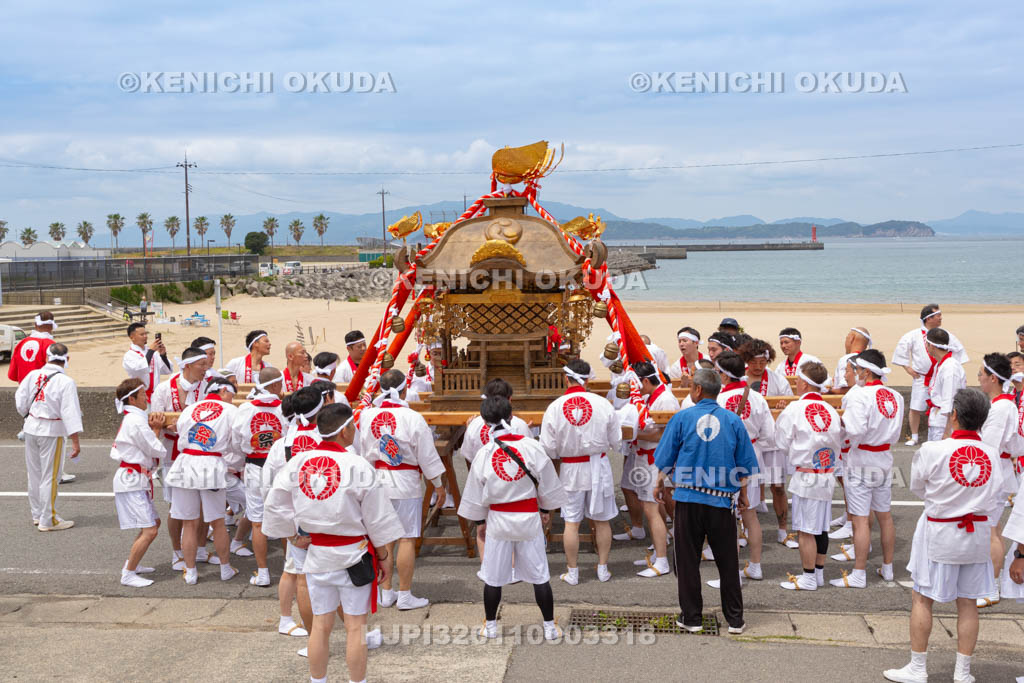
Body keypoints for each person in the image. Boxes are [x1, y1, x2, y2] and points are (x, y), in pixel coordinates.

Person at [263, 402, 404, 683]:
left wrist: (292, 536)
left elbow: (275, 503)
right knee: (355, 627)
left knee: (321, 627)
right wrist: (385, 557)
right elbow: (376, 519)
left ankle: (318, 681)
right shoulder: (357, 465)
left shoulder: (299, 462)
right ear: (344, 431)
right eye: (352, 426)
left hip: (317, 554)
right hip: (353, 553)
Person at [883, 389, 1005, 683]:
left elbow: (917, 487)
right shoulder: (991, 454)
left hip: (939, 529)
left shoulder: (932, 450)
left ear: (954, 415)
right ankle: (962, 672)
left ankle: (917, 667)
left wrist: (945, 502)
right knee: (968, 602)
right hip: (976, 534)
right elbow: (995, 496)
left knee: (922, 598)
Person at [653, 368, 757, 634]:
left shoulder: (682, 418)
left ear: (698, 390)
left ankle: (692, 617)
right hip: (721, 501)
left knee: (687, 561)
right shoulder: (733, 421)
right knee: (727, 562)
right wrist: (743, 494)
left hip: (688, 498)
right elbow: (745, 465)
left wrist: (659, 482)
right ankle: (735, 619)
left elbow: (665, 457)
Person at [458, 396, 568, 640]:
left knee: (493, 576)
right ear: (511, 416)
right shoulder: (531, 446)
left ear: (484, 421)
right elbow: (547, 482)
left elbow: (475, 493)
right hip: (528, 516)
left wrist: (479, 523)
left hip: (498, 518)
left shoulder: (485, 453)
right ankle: (549, 626)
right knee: (539, 575)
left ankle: (491, 626)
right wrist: (546, 510)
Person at [356, 369, 446, 609]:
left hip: (377, 478)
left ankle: (386, 591)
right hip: (405, 480)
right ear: (405, 389)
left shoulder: (368, 416)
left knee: (383, 536)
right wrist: (438, 484)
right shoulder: (411, 417)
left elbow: (362, 449)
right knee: (406, 537)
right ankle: (404, 594)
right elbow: (426, 454)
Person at [540, 359, 621, 585]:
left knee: (572, 523)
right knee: (602, 520)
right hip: (599, 466)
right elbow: (616, 441)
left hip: (571, 469)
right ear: (586, 380)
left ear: (566, 379)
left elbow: (548, 447)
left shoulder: (555, 407)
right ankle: (602, 569)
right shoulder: (602, 403)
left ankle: (573, 571)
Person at [829, 350, 904, 588]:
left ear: (866, 371)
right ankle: (889, 567)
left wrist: (842, 432)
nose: (855, 374)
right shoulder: (896, 396)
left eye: (857, 370)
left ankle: (859, 572)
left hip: (862, 458)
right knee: (885, 516)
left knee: (860, 520)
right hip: (884, 457)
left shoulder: (859, 395)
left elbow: (855, 429)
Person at [773, 361, 842, 591]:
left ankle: (809, 576)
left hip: (806, 475)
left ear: (802, 382)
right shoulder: (831, 410)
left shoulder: (794, 409)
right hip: (826, 473)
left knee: (805, 530)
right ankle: (818, 572)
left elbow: (781, 442)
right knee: (821, 526)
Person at [166, 376, 241, 584]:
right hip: (211, 465)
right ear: (224, 391)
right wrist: (236, 464)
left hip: (185, 463)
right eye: (232, 395)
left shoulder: (190, 409)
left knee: (189, 522)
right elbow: (236, 442)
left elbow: (181, 434)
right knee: (217, 522)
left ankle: (190, 571)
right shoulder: (231, 411)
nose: (232, 400)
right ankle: (225, 568)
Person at [710, 351, 773, 584]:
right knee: (750, 514)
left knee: (728, 519)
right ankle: (755, 565)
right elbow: (770, 435)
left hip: (726, 459)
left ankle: (729, 574)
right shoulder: (757, 397)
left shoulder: (718, 401)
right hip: (752, 456)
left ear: (724, 376)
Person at [460, 378, 532, 563]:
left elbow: (468, 455)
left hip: (485, 482)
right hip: (515, 482)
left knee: (482, 525)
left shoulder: (476, 424)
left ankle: (488, 566)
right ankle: (515, 564)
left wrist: (470, 430)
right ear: (510, 399)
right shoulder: (520, 424)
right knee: (514, 525)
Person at [150, 346, 211, 569]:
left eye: (207, 364)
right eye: (202, 365)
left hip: (200, 452)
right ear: (186, 365)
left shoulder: (206, 388)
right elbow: (155, 419)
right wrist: (168, 426)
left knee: (204, 504)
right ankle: (177, 551)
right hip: (172, 453)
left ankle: (201, 548)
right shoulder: (164, 389)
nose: (206, 369)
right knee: (176, 507)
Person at [15, 343, 83, 531]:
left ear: (46, 358)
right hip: (51, 430)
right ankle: (48, 519)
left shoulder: (32, 375)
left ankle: (37, 514)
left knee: (34, 474)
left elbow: (20, 401)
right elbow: (71, 413)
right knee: (50, 477)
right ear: (66, 360)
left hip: (31, 427)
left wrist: (27, 416)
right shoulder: (65, 382)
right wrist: (75, 441)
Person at [232, 366, 286, 587]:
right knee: (285, 519)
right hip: (280, 468)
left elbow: (236, 440)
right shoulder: (284, 409)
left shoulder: (245, 409)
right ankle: (289, 567)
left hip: (255, 466)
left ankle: (263, 571)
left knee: (257, 521)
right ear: (274, 385)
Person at [975, 352, 1021, 608]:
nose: (979, 378)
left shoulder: (1001, 407)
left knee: (991, 530)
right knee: (991, 529)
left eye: (981, 374)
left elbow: (988, 445)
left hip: (994, 472)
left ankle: (991, 587)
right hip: (999, 469)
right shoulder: (1005, 404)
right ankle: (990, 582)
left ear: (993, 378)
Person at [110, 378, 166, 587]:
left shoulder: (133, 418)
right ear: (132, 399)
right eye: (143, 395)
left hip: (135, 478)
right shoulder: (135, 421)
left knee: (152, 524)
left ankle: (133, 563)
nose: (147, 398)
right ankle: (129, 573)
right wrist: (158, 429)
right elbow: (155, 448)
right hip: (131, 479)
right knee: (150, 529)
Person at [628, 361, 681, 578]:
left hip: (655, 460)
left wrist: (633, 434)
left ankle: (662, 560)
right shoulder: (653, 397)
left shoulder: (665, 399)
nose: (635, 390)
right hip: (646, 458)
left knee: (651, 509)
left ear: (646, 381)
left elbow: (663, 435)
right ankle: (659, 551)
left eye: (636, 385)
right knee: (651, 508)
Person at [892, 305, 968, 446]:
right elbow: (902, 349)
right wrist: (907, 368)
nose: (940, 317)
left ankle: (947, 432)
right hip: (921, 376)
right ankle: (914, 436)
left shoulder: (944, 335)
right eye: (937, 315)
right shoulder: (914, 335)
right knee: (916, 406)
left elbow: (958, 350)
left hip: (941, 374)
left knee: (945, 402)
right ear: (928, 318)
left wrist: (953, 368)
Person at [925, 328, 967, 442]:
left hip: (944, 425)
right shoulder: (940, 365)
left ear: (932, 346)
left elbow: (950, 399)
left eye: (927, 344)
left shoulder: (950, 368)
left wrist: (947, 431)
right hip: (937, 421)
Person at [122, 322, 172, 400]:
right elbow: (140, 368)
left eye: (146, 334)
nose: (145, 337)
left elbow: (166, 370)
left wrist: (163, 355)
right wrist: (151, 351)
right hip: (140, 396)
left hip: (156, 395)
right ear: (132, 337)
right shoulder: (129, 355)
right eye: (142, 335)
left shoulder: (153, 352)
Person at [8, 311, 57, 382]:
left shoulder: (21, 343)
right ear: (52, 326)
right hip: (43, 389)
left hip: (23, 389)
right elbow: (55, 373)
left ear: (35, 325)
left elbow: (12, 375)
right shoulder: (51, 345)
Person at [830, 327, 872, 394]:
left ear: (851, 338)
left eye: (846, 338)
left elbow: (847, 388)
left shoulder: (846, 359)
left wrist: (829, 391)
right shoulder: (871, 361)